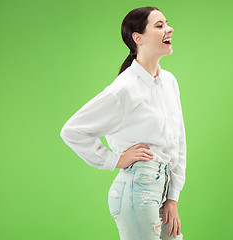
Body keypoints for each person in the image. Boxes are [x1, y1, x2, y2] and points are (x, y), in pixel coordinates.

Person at [60, 6, 186, 240]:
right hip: (137, 191)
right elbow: (72, 131)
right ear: (138, 38)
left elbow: (178, 140)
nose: (169, 29)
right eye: (159, 26)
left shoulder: (169, 82)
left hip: (162, 186)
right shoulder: (125, 88)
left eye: (166, 23)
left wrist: (173, 197)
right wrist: (114, 159)